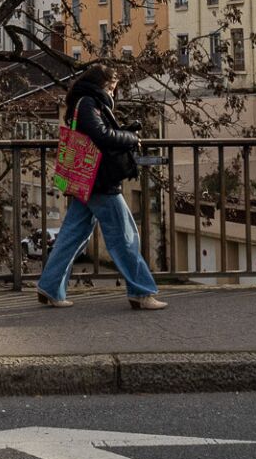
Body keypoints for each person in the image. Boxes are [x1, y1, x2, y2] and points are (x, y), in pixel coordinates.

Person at [35, 64, 168, 310]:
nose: (114, 92)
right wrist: (131, 138)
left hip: (88, 179)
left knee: (72, 236)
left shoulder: (85, 101)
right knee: (125, 237)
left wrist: (123, 131)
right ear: (103, 84)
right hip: (99, 181)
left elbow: (98, 132)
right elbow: (101, 135)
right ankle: (141, 292)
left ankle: (50, 287)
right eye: (112, 87)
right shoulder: (89, 102)